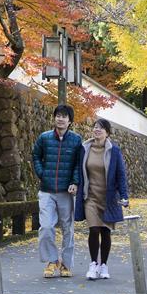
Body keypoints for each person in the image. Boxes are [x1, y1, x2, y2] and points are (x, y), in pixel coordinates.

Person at [32, 103, 82, 278]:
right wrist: (42, 174)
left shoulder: (76, 140)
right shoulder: (44, 138)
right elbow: (35, 156)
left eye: (64, 116)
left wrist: (75, 182)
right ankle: (52, 260)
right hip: (47, 190)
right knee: (46, 227)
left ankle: (66, 264)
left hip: (66, 192)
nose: (60, 119)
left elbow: (78, 164)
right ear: (54, 118)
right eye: (58, 116)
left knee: (68, 229)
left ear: (70, 121)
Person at [75, 118, 129, 280]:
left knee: (105, 232)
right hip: (90, 196)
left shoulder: (114, 151)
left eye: (101, 128)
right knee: (93, 229)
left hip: (108, 198)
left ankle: (104, 265)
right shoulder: (85, 148)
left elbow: (121, 175)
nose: (97, 130)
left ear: (107, 132)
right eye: (95, 127)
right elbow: (78, 170)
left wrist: (124, 196)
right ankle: (93, 264)